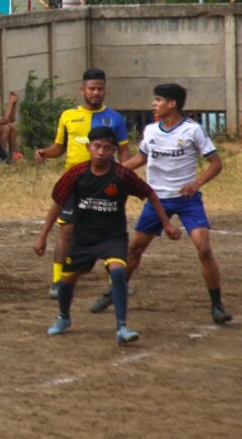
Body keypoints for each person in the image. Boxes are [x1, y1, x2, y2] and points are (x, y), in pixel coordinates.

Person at [88, 83, 232, 324]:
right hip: (157, 200)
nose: (153, 104)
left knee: (203, 248)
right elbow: (141, 157)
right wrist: (111, 173)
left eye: (158, 100)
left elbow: (216, 164)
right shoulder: (151, 130)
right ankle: (112, 293)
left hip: (187, 201)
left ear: (172, 104)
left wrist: (196, 184)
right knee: (134, 249)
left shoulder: (193, 130)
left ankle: (217, 305)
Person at [33, 127, 181, 345]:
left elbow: (149, 193)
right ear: (88, 147)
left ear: (113, 151)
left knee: (118, 272)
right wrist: (43, 235)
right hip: (83, 239)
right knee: (65, 283)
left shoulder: (121, 174)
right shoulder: (76, 174)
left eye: (107, 148)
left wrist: (166, 223)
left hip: (112, 237)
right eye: (97, 146)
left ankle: (122, 327)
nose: (101, 152)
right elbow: (57, 203)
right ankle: (63, 317)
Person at [34, 69, 131, 299]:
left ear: (105, 90)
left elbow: (124, 151)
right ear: (82, 90)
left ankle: (116, 282)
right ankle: (58, 281)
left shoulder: (115, 118)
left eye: (100, 89)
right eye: (92, 88)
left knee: (109, 232)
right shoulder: (68, 116)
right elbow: (59, 148)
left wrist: (125, 176)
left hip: (105, 184)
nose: (96, 92)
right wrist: (45, 152)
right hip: (74, 184)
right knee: (66, 230)